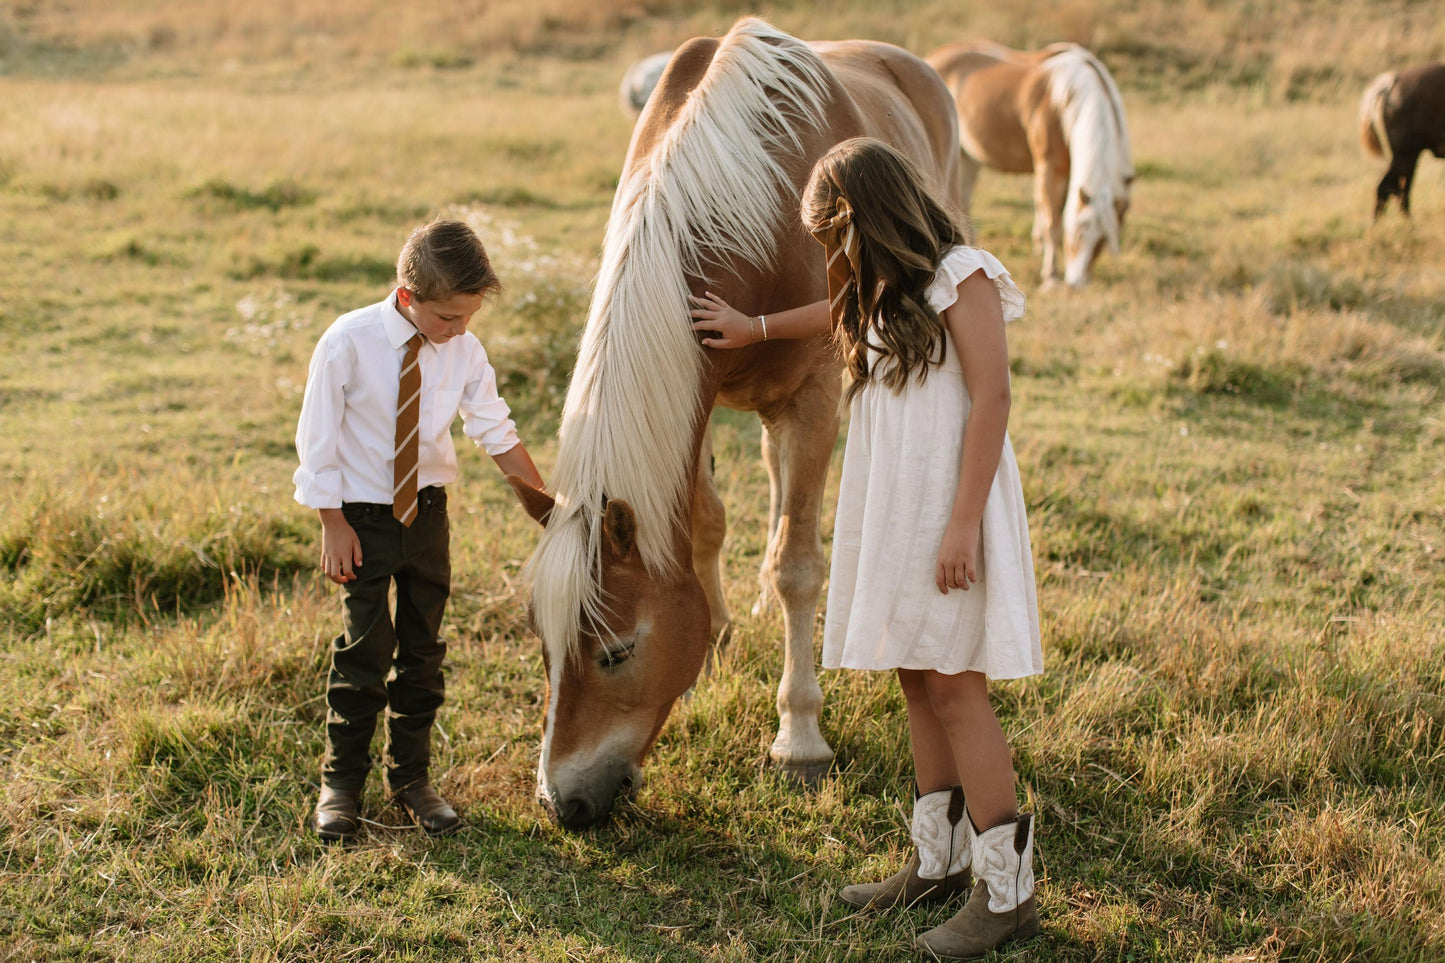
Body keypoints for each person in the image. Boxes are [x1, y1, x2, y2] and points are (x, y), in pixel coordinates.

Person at [689, 138, 1043, 958]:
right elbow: (833, 315)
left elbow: (992, 397)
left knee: (956, 685)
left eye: (829, 235)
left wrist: (961, 525)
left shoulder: (964, 275)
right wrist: (752, 328)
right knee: (917, 676)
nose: (827, 253)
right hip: (899, 507)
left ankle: (1008, 890)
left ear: (859, 215)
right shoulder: (885, 289)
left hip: (949, 507)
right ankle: (938, 861)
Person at [293, 218, 546, 842]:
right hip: (362, 522)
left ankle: (411, 779)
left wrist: (541, 503)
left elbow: (496, 430)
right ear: (408, 297)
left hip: (427, 517)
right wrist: (332, 523)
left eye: (468, 318)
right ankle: (341, 784)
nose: (458, 330)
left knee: (424, 653)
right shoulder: (347, 343)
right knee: (363, 654)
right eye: (447, 318)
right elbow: (316, 444)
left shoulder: (464, 350)